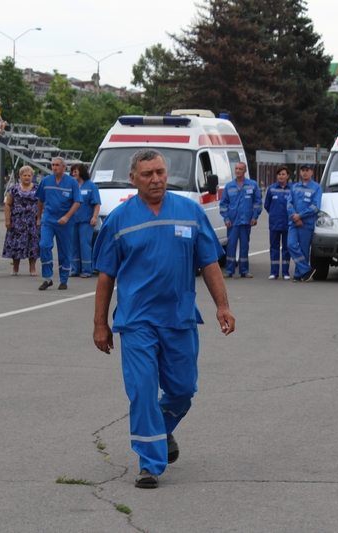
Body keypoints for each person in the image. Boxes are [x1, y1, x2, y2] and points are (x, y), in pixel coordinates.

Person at [92, 148, 235, 489]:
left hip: (179, 316)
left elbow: (210, 262)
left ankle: (160, 432)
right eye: (147, 174)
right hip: (137, 320)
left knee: (183, 390)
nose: (155, 179)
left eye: (159, 172)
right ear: (133, 179)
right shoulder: (119, 219)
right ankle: (150, 463)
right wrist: (100, 324)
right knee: (142, 390)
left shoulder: (189, 211)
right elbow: (105, 277)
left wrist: (223, 306)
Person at [35, 157, 81, 290]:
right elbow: (40, 200)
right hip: (48, 219)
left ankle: (63, 279)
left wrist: (67, 217)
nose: (54, 167)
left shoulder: (72, 182)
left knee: (64, 250)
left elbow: (77, 202)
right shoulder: (46, 181)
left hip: (65, 222)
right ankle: (47, 278)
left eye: (57, 165)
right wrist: (38, 218)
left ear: (63, 167)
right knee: (44, 245)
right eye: (52, 165)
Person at [219, 161, 261, 278]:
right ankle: (229, 270)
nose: (238, 171)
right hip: (232, 222)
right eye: (236, 169)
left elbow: (257, 203)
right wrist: (226, 218)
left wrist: (254, 217)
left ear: (245, 171)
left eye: (240, 169)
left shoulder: (252, 185)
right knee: (231, 245)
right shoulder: (229, 186)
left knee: (244, 246)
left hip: (246, 221)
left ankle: (244, 270)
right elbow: (223, 204)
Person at [287, 163, 322, 282]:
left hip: (306, 223)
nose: (305, 172)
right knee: (290, 245)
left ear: (311, 172)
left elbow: (315, 206)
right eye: (303, 170)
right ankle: (306, 269)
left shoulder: (316, 187)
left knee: (303, 248)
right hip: (293, 222)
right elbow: (289, 203)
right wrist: (295, 217)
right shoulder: (295, 186)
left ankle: (299, 274)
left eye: (307, 170)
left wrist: (300, 216)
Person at [3, 166, 40, 276]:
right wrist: (7, 219)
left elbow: (42, 204)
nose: (27, 177)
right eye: (25, 175)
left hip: (33, 222)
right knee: (16, 245)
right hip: (17, 222)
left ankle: (32, 268)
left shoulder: (37, 189)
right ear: (20, 176)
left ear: (32, 177)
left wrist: (40, 218)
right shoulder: (14, 189)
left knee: (33, 245)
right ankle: (15, 268)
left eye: (29, 175)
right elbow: (8, 204)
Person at [69, 163, 100, 278]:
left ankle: (87, 270)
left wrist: (94, 217)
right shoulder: (72, 185)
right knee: (73, 245)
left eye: (75, 171)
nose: (73, 174)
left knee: (84, 244)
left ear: (81, 172)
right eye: (72, 172)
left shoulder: (91, 186)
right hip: (73, 220)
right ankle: (75, 269)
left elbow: (97, 203)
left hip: (86, 220)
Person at [264, 166, 292, 280]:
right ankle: (274, 272)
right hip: (274, 223)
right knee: (274, 247)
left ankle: (285, 272)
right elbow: (267, 205)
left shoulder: (292, 189)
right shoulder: (271, 189)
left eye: (283, 174)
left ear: (288, 176)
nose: (281, 176)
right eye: (279, 174)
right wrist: (274, 214)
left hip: (287, 223)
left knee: (286, 248)